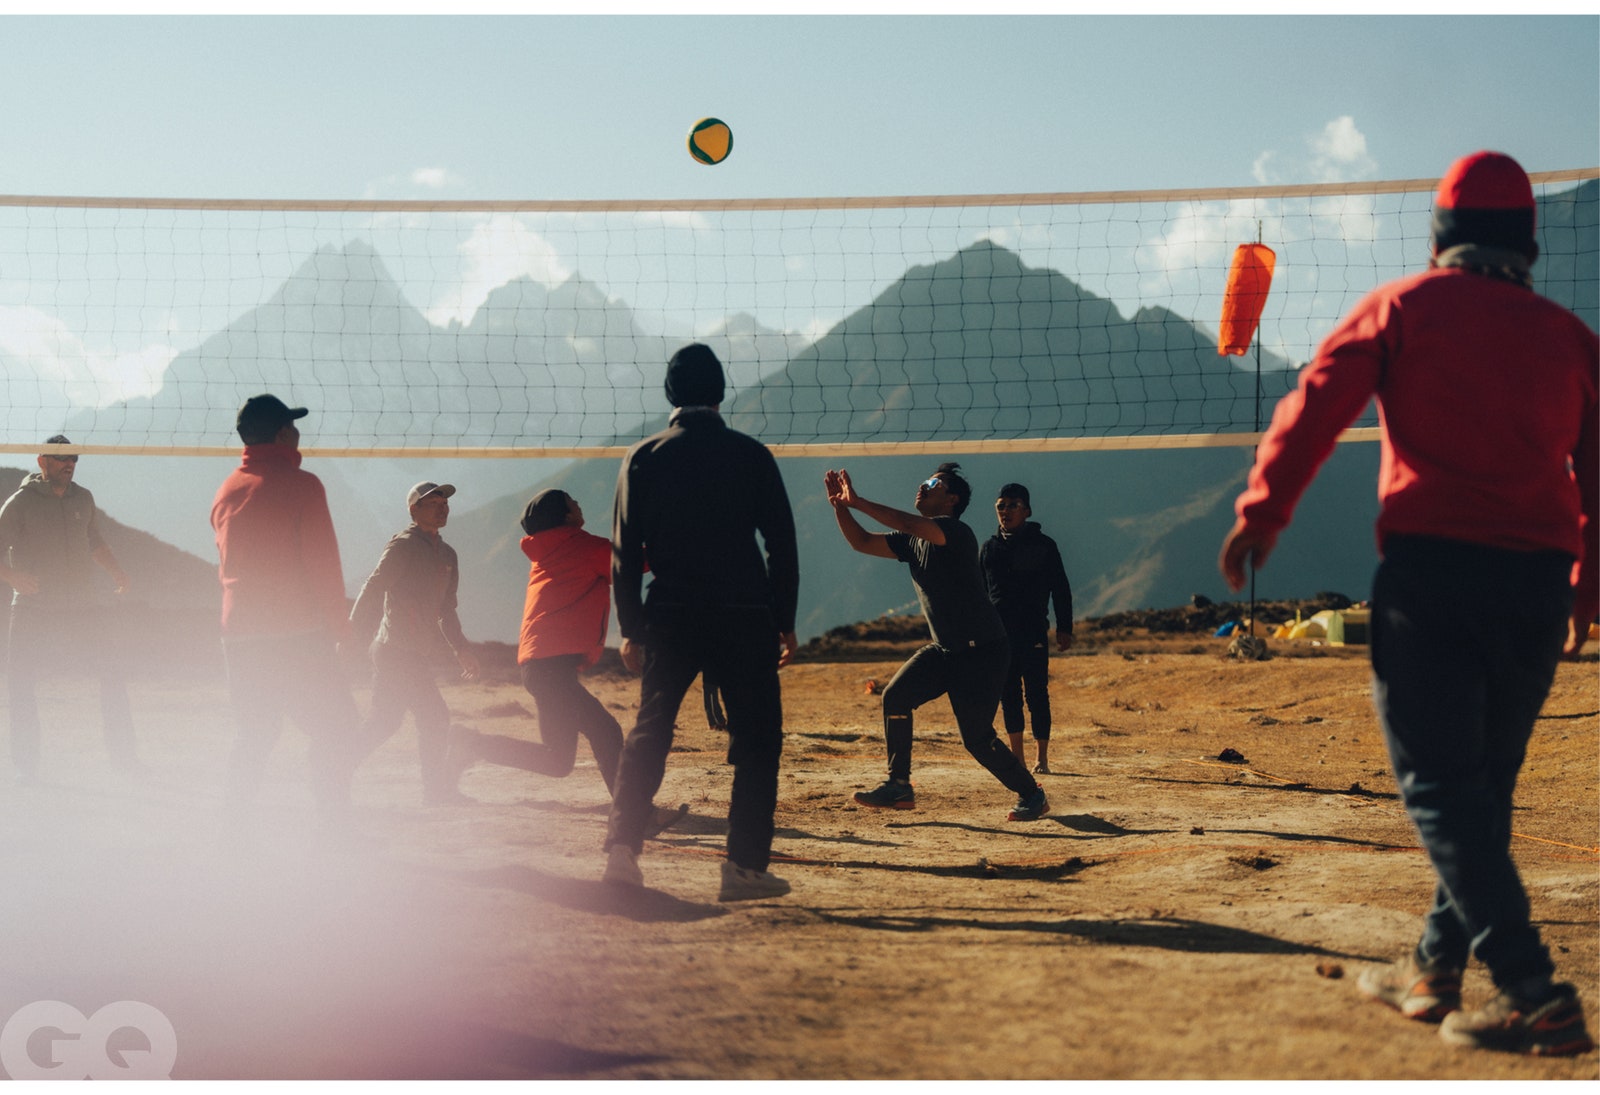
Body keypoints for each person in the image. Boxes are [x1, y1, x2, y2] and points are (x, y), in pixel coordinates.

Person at [1218, 152, 1596, 1057]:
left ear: (1438, 239)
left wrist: (1263, 512)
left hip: (1434, 578)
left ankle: (1533, 991)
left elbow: (1315, 404)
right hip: (1538, 585)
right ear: (1529, 245)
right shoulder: (1573, 339)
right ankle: (1434, 970)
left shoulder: (1403, 308)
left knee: (1437, 785)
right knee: (1482, 787)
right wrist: (1591, 582)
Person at [602, 343, 800, 902]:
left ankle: (621, 853)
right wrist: (783, 619)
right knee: (758, 739)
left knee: (651, 730)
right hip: (744, 613)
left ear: (670, 396)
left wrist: (630, 626)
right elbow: (781, 542)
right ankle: (743, 869)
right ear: (719, 393)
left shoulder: (642, 457)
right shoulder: (751, 454)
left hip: (671, 613)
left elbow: (624, 551)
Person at [825, 462, 1050, 822]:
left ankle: (1031, 794)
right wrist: (840, 506)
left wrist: (859, 501)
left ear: (951, 499)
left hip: (983, 651)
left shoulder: (955, 532)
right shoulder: (913, 542)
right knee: (895, 696)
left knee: (977, 739)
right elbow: (862, 541)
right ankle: (899, 785)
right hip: (946, 650)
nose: (923, 484)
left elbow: (909, 523)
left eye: (933, 482)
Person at [456, 488, 686, 835]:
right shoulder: (583, 546)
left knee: (557, 760)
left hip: (540, 665)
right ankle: (635, 816)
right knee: (606, 731)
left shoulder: (550, 549)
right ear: (565, 515)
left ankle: (470, 743)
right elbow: (637, 564)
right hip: (549, 668)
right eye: (573, 501)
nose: (579, 503)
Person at [211, 395, 363, 836]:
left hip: (238, 634)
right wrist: (342, 630)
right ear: (282, 434)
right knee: (338, 728)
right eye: (293, 427)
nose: (298, 433)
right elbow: (323, 565)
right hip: (294, 633)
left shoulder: (226, 491)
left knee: (256, 734)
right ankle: (335, 832)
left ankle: (231, 836)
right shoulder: (303, 485)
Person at [0, 434, 138, 780]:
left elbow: (94, 541)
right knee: (21, 683)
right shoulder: (20, 503)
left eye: (74, 459)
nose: (69, 464)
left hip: (82, 606)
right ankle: (27, 768)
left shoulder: (84, 498)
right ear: (42, 461)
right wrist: (13, 577)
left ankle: (125, 760)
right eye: (62, 459)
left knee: (112, 674)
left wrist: (118, 571)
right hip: (34, 608)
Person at [347, 480, 481, 805]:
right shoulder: (404, 545)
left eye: (444, 502)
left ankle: (331, 767)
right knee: (433, 716)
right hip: (394, 650)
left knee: (384, 722)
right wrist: (350, 632)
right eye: (433, 503)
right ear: (414, 510)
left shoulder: (448, 555)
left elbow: (446, 610)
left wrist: (461, 648)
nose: (443, 507)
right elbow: (374, 587)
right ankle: (436, 792)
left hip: (414, 653)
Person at [980, 482, 1074, 774]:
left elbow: (1061, 588)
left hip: (1033, 631)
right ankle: (1018, 758)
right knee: (1008, 695)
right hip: (998, 635)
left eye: (1012, 506)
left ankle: (1041, 758)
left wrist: (1064, 627)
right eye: (1000, 506)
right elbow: (980, 594)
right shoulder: (989, 549)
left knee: (1037, 694)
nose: (1005, 511)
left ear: (1027, 511)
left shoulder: (1044, 546)